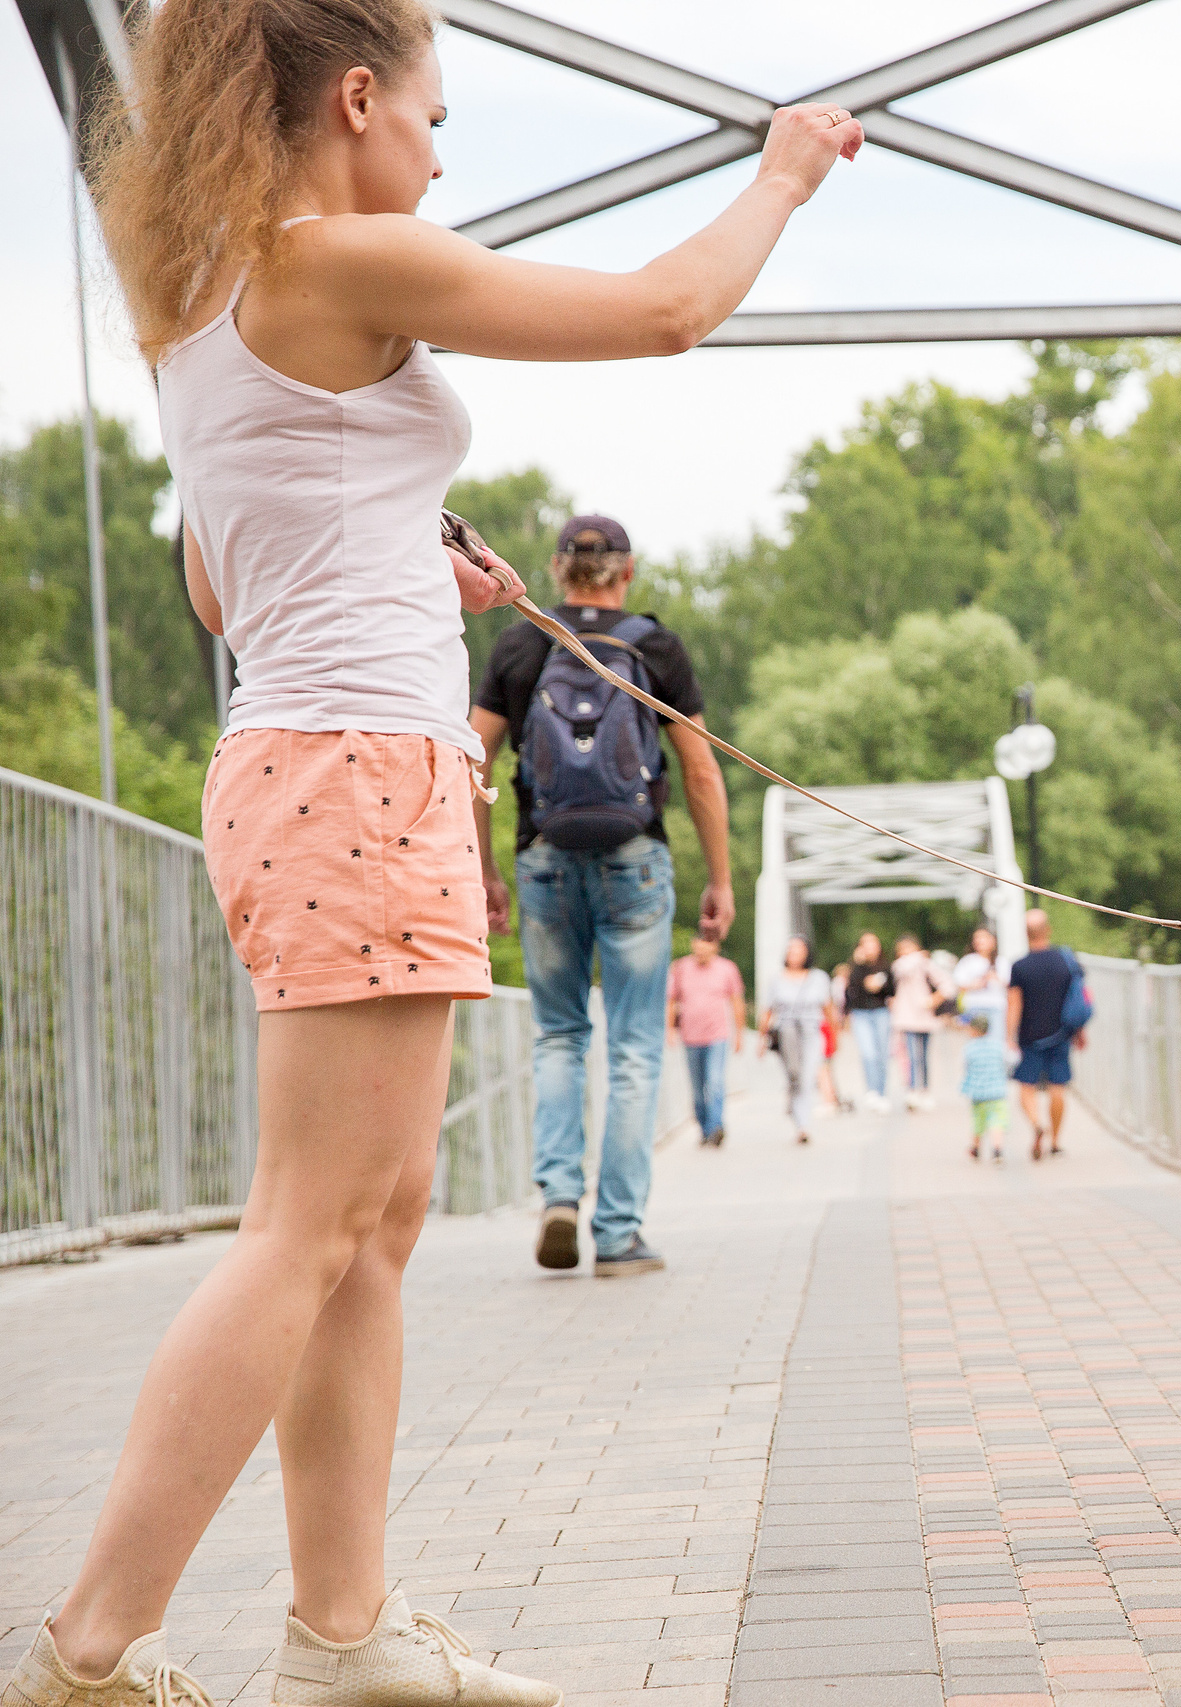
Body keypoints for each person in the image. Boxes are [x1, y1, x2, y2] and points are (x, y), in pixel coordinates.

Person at [14, 5, 862, 1705]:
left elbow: (219, 581)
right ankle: (91, 1645)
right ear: (354, 98)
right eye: (433, 116)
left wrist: (410, 550)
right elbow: (666, 310)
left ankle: (345, 1627)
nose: (440, 155)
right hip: (354, 775)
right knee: (310, 1223)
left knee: (370, 1219)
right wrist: (782, 172)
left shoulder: (210, 288)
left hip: (308, 763)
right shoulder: (336, 255)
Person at [470, 514, 720, 1280]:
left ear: (557, 568)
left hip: (544, 858)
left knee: (560, 1035)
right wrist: (720, 878)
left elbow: (470, 757)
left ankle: (558, 1196)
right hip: (634, 858)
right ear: (627, 571)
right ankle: (617, 1233)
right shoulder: (654, 646)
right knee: (635, 1046)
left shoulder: (523, 643)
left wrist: (484, 871)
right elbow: (701, 769)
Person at [1007, 909, 1086, 1161]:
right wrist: (1080, 1030)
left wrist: (1009, 1037)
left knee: (1026, 1087)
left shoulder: (1019, 966)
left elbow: (1014, 1005)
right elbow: (1077, 998)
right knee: (1058, 1087)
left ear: (1026, 934)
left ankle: (1036, 1123)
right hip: (1061, 1033)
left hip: (1030, 1037)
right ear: (1048, 930)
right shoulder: (1065, 961)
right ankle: (1055, 1141)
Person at [666, 929, 745, 1147]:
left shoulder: (727, 968)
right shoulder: (681, 968)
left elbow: (737, 1001)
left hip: (717, 1035)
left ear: (715, 947)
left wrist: (739, 1033)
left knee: (715, 1081)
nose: (702, 949)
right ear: (694, 945)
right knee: (698, 1088)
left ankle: (716, 1126)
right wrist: (669, 1029)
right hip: (690, 1036)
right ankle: (704, 1128)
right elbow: (671, 1000)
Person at [760, 935, 832, 1145]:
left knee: (807, 1078)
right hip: (786, 1034)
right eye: (791, 949)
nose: (794, 953)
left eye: (799, 949)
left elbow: (828, 1008)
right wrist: (761, 1040)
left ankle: (803, 1125)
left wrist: (833, 1037)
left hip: (811, 1032)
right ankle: (793, 1101)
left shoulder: (818, 978)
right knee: (793, 1075)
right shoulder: (777, 979)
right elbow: (768, 1010)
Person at [887, 932, 946, 1111]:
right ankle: (912, 1090)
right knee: (912, 1056)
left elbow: (946, 984)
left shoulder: (926, 964)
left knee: (924, 1057)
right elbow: (901, 969)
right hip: (907, 1017)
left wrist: (935, 999)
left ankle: (924, 1090)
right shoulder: (900, 965)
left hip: (924, 1015)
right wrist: (917, 958)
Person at [840, 933, 892, 1112]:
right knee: (868, 1052)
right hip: (861, 1013)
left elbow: (892, 990)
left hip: (881, 1012)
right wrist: (858, 965)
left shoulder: (885, 967)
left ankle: (881, 1092)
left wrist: (880, 986)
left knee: (882, 1053)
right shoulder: (856, 967)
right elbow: (850, 990)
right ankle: (872, 1091)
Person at [959, 1010, 1010, 1162]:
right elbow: (1008, 1062)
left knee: (978, 1121)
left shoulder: (969, 1048)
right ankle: (997, 1149)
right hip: (997, 1092)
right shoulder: (998, 1046)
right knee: (997, 1121)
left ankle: (975, 1148)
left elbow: (965, 1066)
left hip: (978, 1092)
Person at [951, 923, 1009, 1025]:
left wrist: (995, 978)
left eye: (983, 937)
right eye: (977, 938)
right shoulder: (968, 961)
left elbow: (1010, 984)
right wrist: (974, 985)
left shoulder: (1001, 961)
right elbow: (957, 983)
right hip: (974, 1006)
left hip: (997, 1006)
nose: (980, 941)